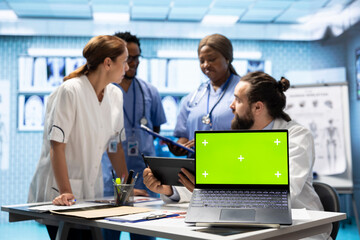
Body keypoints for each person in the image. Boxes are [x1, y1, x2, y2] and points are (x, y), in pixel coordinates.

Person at [144, 71, 330, 239]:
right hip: (249, 227)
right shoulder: (236, 138)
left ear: (258, 107)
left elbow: (283, 189)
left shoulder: (296, 136)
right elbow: (215, 181)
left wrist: (214, 193)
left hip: (299, 231)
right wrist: (169, 189)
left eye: (238, 100)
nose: (231, 106)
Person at [28, 35, 129, 240]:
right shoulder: (70, 90)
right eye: (124, 61)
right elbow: (57, 147)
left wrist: (126, 189)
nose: (127, 68)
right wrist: (66, 192)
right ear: (108, 63)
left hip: (91, 192)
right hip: (60, 191)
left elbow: (114, 146)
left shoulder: (115, 95)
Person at [101, 32, 166, 240]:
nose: (133, 63)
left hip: (145, 178)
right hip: (111, 179)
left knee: (145, 235)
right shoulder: (104, 91)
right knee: (108, 234)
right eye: (129, 58)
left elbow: (155, 129)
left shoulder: (150, 91)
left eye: (137, 57)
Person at [168, 33, 240, 156]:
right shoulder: (193, 96)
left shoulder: (243, 90)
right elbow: (184, 136)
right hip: (194, 169)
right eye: (202, 61)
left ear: (227, 58)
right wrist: (179, 146)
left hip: (230, 163)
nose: (206, 65)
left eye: (211, 59)